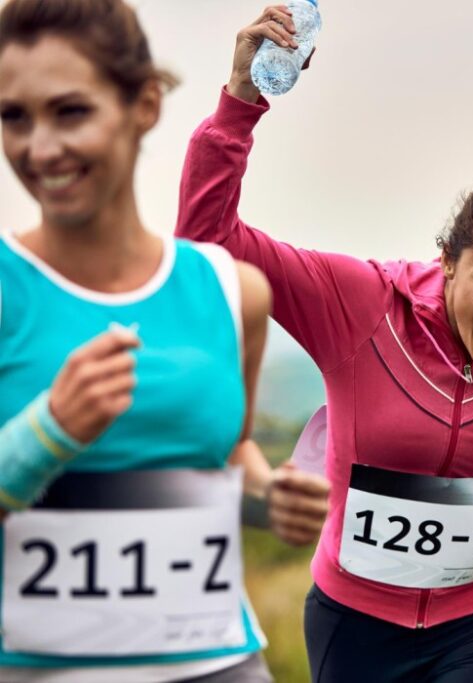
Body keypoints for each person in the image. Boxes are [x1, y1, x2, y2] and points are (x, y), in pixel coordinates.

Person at [174, 8, 473, 681]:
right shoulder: (360, 303)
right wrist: (241, 101)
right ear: (447, 261)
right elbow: (209, 243)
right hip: (355, 622)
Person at [0, 1, 328, 680]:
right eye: (13, 117)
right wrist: (46, 433)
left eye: (70, 112)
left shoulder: (234, 290)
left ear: (144, 104)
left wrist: (274, 498)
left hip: (219, 661)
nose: (39, 147)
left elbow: (226, 457)